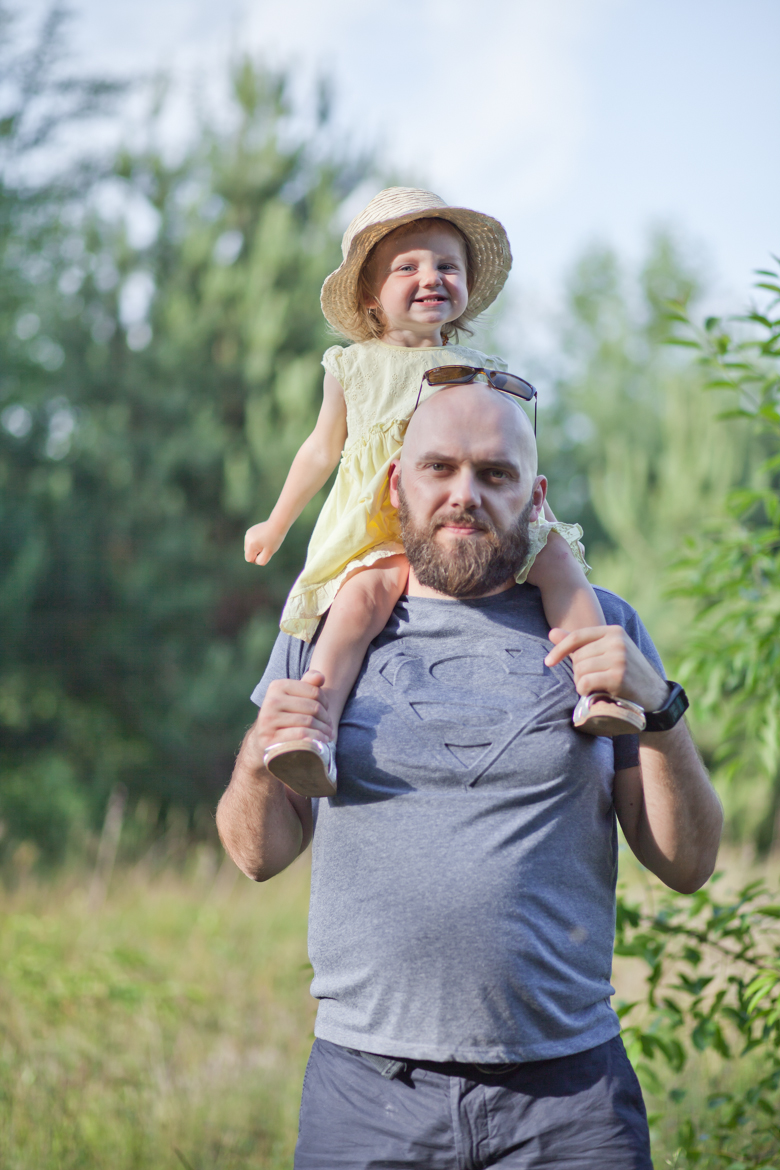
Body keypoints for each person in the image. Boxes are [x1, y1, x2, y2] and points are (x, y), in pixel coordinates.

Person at [217, 377, 723, 1170]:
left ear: (536, 496)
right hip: (369, 1093)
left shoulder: (603, 627)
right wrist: (257, 752)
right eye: (440, 469)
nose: (465, 495)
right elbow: (257, 855)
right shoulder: (325, 632)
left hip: (569, 1103)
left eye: (495, 475)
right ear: (395, 483)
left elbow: (687, 864)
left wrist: (660, 709)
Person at [243, 187, 637, 798]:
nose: (431, 278)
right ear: (372, 296)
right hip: (384, 526)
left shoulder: (479, 367)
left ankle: (600, 689)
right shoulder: (354, 366)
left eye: (446, 266)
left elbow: (506, 454)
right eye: (408, 266)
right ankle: (312, 732)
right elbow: (321, 450)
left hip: (469, 517)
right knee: (357, 603)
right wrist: (276, 523)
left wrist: (543, 521)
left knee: (558, 562)